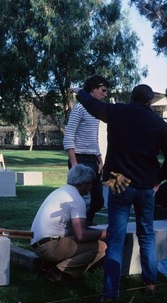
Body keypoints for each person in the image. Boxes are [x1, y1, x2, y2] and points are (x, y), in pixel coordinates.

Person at [73, 84, 167, 303]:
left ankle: (110, 295)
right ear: (150, 102)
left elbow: (92, 105)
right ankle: (150, 283)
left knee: (116, 238)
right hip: (144, 187)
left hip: (118, 183)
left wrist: (80, 91)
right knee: (147, 234)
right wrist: (157, 179)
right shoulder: (158, 124)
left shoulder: (117, 112)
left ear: (132, 97)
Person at [30, 164, 107, 284]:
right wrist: (105, 234)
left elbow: (71, 228)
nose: (91, 186)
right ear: (82, 183)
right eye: (89, 183)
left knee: (83, 240)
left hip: (37, 243)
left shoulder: (61, 191)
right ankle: (59, 272)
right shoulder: (76, 199)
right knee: (101, 247)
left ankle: (47, 264)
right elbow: (81, 235)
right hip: (49, 246)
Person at [63, 75, 110, 226]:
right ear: (93, 89)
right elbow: (69, 136)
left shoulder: (96, 111)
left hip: (93, 160)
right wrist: (74, 163)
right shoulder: (79, 108)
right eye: (103, 90)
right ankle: (76, 227)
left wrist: (100, 160)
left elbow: (94, 139)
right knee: (78, 198)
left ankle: (85, 222)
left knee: (98, 200)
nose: (105, 94)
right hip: (80, 159)